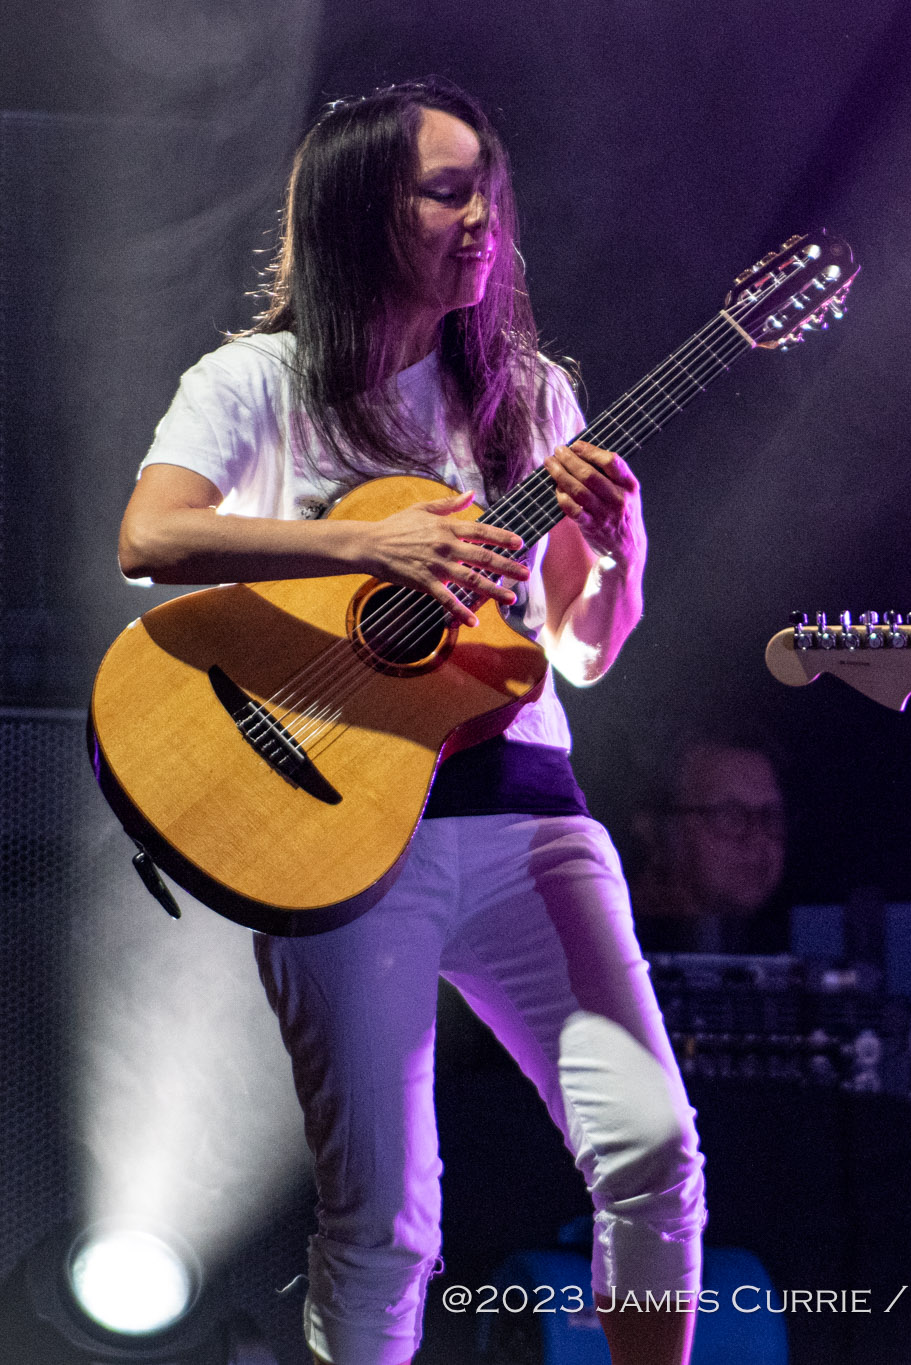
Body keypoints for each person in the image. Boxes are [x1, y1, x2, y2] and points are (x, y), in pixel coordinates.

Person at [116, 80, 703, 1365]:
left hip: (527, 824)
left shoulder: (531, 398)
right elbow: (149, 537)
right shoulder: (256, 380)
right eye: (447, 189)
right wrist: (366, 544)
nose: (481, 214)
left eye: (486, 183)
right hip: (329, 832)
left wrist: (618, 557)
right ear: (359, 211)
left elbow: (582, 656)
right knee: (386, 1223)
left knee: (654, 1154)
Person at [629, 737, 789, 954]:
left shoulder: (792, 949)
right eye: (730, 815)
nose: (757, 837)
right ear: (656, 828)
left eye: (770, 816)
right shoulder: (608, 939)